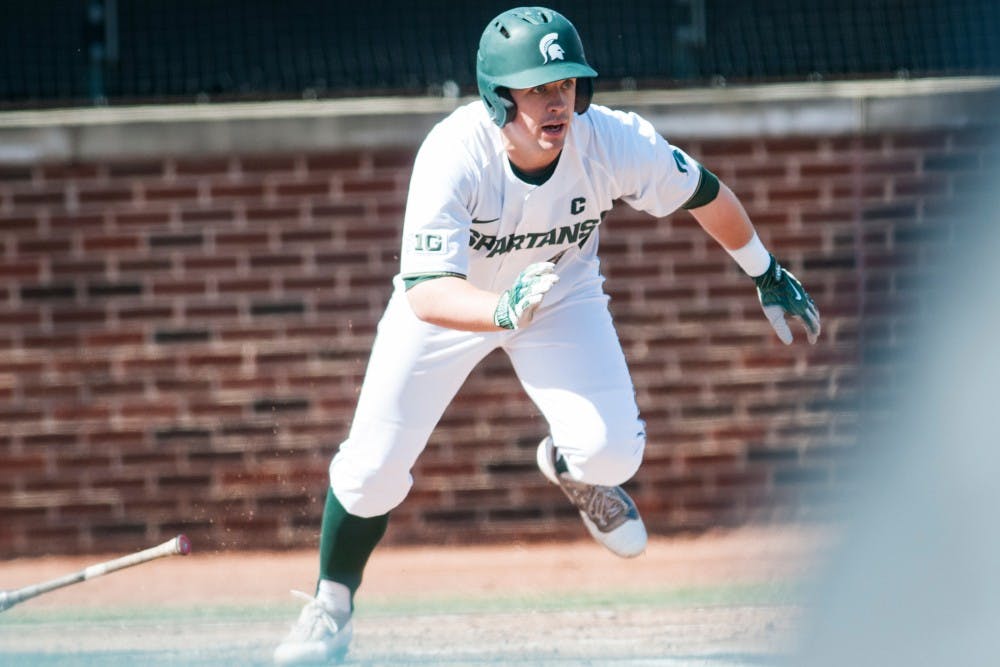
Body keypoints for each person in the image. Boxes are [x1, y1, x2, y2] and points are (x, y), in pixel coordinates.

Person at [274, 6, 820, 665]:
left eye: (564, 85)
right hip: (454, 304)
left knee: (613, 453)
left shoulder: (611, 140)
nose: (556, 102)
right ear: (497, 98)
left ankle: (571, 466)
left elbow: (705, 192)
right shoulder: (454, 153)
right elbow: (425, 288)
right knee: (372, 469)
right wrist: (499, 309)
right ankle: (330, 608)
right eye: (536, 88)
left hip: (560, 296)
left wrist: (766, 271)